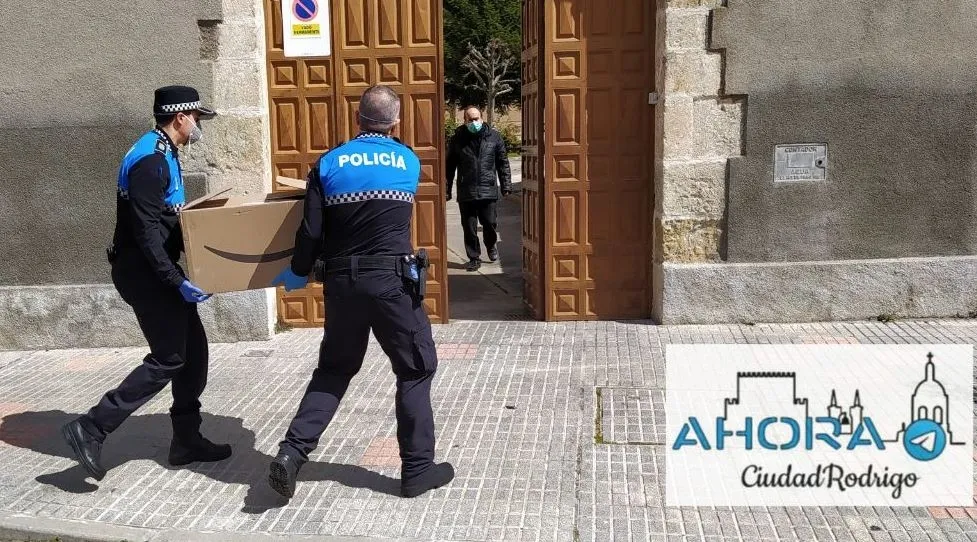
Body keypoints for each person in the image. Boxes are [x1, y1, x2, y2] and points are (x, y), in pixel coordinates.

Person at [268, 84, 454, 499]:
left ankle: (291, 453)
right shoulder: (407, 160)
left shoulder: (329, 163)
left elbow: (311, 230)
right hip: (392, 285)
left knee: (334, 370)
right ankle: (417, 471)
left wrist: (297, 272)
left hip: (342, 284)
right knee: (415, 369)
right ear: (396, 122)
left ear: (357, 119)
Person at [61, 86, 231, 480]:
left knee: (195, 354)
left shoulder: (164, 152)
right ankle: (91, 427)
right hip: (146, 274)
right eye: (197, 118)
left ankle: (186, 440)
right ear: (180, 118)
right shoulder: (150, 162)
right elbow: (144, 232)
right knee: (169, 358)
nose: (198, 125)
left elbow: (165, 221)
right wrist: (176, 281)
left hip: (159, 270)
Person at [445, 106, 513, 271]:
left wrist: (506, 186)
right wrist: (446, 190)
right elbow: (449, 167)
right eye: (470, 119)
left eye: (476, 119)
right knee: (469, 227)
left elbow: (502, 163)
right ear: (465, 121)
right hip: (466, 191)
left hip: (487, 189)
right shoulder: (457, 139)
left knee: (490, 223)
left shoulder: (494, 138)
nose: (474, 122)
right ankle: (474, 257)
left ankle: (491, 245)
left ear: (482, 119)